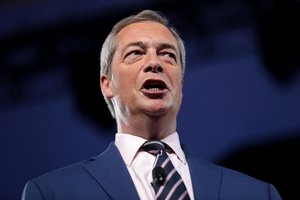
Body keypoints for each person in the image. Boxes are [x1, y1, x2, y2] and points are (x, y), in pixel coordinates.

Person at [21, 9, 282, 200]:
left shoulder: (256, 194)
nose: (154, 62)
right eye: (135, 53)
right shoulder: (53, 193)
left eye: (168, 55)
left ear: (180, 84)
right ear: (106, 84)